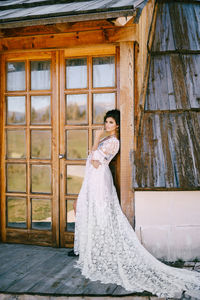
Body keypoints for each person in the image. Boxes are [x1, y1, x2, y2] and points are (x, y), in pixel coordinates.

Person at [68, 109, 200, 298]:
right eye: (106, 122)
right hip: (91, 180)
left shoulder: (114, 142)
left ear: (118, 126)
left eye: (111, 123)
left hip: (99, 180)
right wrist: (96, 145)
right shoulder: (106, 140)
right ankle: (84, 246)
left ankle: (98, 249)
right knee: (80, 206)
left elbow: (96, 161)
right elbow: (91, 159)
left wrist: (95, 139)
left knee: (99, 212)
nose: (107, 126)